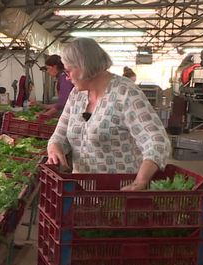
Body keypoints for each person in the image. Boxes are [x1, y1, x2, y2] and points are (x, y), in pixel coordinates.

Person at [46, 38, 171, 191]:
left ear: (83, 67)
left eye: (68, 71)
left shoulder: (126, 93)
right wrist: (54, 148)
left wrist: (140, 182)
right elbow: (59, 135)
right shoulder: (76, 95)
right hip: (81, 192)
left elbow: (157, 142)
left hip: (119, 193)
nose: (67, 77)